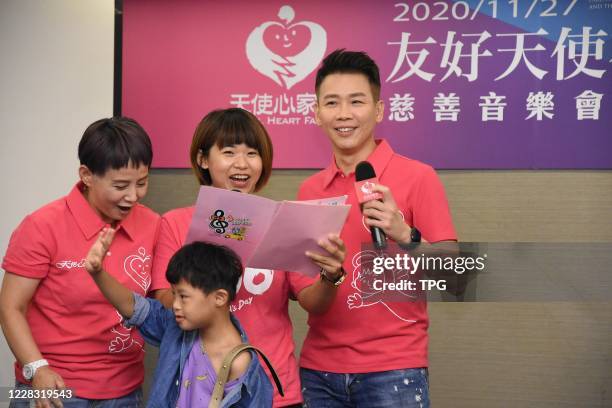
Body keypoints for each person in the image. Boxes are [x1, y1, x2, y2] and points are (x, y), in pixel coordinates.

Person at [151, 108, 346, 407]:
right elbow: (165, 302)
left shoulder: (281, 222)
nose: (242, 164)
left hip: (274, 389)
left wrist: (331, 276)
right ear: (203, 159)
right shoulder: (176, 224)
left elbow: (313, 301)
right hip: (201, 391)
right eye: (228, 152)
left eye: (252, 153)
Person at [297, 49, 458, 407]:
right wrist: (330, 275)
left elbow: (456, 279)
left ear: (379, 109)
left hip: (394, 370)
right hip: (319, 373)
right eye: (332, 103)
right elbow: (310, 302)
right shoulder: (310, 191)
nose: (344, 115)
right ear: (317, 112)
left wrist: (406, 236)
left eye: (356, 101)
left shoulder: (419, 177)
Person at [0, 117, 159, 407]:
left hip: (123, 390)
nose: (133, 196)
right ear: (86, 175)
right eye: (121, 185)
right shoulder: (41, 226)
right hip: (52, 386)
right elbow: (11, 307)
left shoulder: (152, 225)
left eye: (142, 183)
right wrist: (36, 368)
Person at [85, 229, 273, 407]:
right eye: (174, 294)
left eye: (183, 296)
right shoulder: (175, 326)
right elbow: (133, 307)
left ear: (219, 298)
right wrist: (97, 272)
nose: (175, 304)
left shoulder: (240, 362)